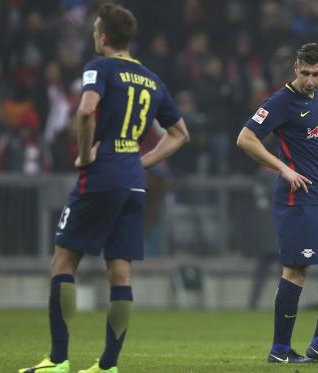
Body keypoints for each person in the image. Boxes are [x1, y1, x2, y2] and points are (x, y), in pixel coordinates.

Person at [20, 4, 190, 373]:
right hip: (134, 180)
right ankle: (108, 366)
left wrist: (84, 155)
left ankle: (59, 360)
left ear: (103, 37)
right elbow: (180, 134)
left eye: (96, 30)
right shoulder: (152, 79)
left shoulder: (99, 67)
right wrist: (140, 162)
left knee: (63, 262)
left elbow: (85, 111)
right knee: (121, 273)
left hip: (103, 174)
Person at [236, 43, 318, 364]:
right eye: (305, 73)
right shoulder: (280, 102)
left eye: (316, 74)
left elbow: (312, 141)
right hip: (296, 197)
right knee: (297, 271)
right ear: (295, 67)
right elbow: (245, 138)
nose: (310, 80)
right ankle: (279, 350)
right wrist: (282, 167)